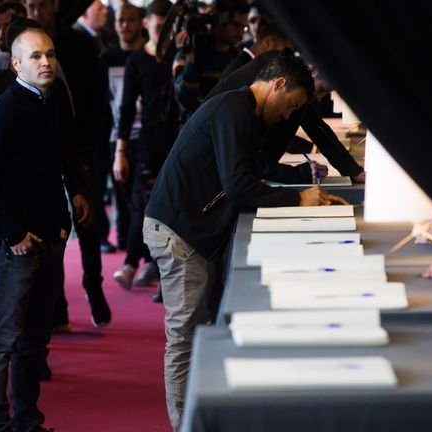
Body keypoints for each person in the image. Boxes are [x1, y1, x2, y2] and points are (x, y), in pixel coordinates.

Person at [143, 52, 346, 431]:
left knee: (193, 332)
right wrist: (299, 198)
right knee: (185, 337)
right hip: (178, 231)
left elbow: (249, 176)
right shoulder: (235, 109)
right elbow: (239, 187)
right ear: (278, 84)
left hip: (190, 229)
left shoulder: (243, 111)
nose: (289, 116)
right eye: (292, 106)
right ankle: (184, 425)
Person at [0, 25, 89, 432]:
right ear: (16, 63)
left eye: (50, 55)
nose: (46, 62)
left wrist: (73, 201)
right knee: (3, 340)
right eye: (36, 56)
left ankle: (27, 421)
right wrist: (12, 233)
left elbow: (65, 156)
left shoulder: (53, 102)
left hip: (50, 237)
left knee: (34, 341)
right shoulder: (4, 108)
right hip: (12, 245)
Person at [24, 0, 112, 329]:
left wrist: (88, 147)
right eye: (29, 5)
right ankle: (56, 306)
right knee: (51, 227)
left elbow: (95, 97)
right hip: (41, 152)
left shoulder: (76, 43)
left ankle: (94, 286)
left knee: (87, 220)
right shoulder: (23, 46)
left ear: (55, 5)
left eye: (40, 4)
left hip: (80, 145)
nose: (35, 11)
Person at [204, 49, 366, 183]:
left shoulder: (293, 80)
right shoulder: (271, 74)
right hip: (210, 169)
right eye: (322, 89)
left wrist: (353, 170)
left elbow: (317, 128)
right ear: (311, 70)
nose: (319, 98)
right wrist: (299, 175)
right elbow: (249, 160)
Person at [111, 0, 177, 294]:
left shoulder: (179, 57)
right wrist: (120, 151)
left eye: (167, 27)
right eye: (158, 26)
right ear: (147, 24)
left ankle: (160, 268)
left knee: (172, 207)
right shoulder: (136, 60)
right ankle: (132, 262)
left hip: (178, 141)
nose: (162, 32)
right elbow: (126, 108)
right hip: (147, 141)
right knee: (141, 203)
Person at [100, 2, 146, 252]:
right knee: (123, 195)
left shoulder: (147, 57)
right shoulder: (107, 59)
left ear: (140, 23)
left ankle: (140, 252)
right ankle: (128, 245)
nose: (125, 25)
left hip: (147, 136)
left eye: (129, 20)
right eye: (120, 21)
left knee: (141, 198)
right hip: (115, 136)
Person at [173, 0, 250, 118]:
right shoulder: (188, 54)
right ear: (219, 21)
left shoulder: (238, 58)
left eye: (244, 27)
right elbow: (186, 98)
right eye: (237, 25)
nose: (241, 32)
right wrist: (190, 60)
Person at [219, 21, 292, 79]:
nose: (282, 59)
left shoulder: (244, 65)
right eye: (282, 53)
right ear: (268, 42)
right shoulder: (243, 70)